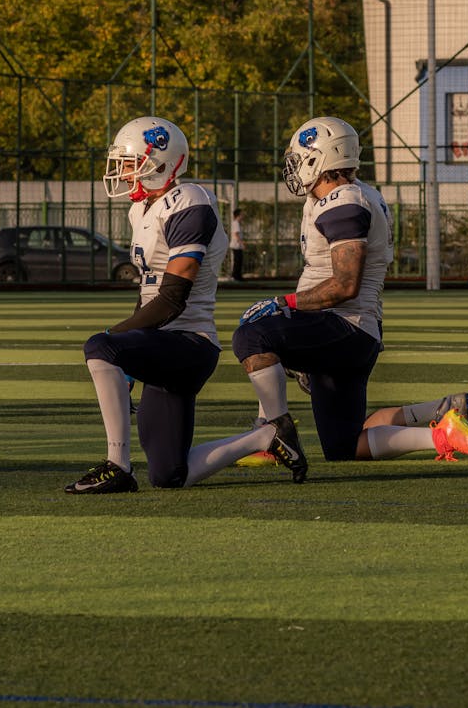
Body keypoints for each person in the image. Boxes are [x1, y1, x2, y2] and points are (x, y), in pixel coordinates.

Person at [232, 116, 468, 478]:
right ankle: (442, 432)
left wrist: (284, 303)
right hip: (356, 333)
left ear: (319, 158)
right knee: (343, 445)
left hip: (343, 326)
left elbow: (344, 286)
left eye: (299, 158)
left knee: (253, 334)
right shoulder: (353, 195)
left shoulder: (343, 201)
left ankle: (272, 436)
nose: (293, 168)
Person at [64, 115, 304, 494]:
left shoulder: (189, 200)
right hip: (165, 344)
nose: (124, 174)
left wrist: (118, 342)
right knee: (168, 474)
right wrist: (128, 349)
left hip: (189, 343)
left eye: (130, 165)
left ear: (159, 161)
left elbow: (173, 297)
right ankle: (267, 437)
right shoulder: (141, 209)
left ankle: (117, 466)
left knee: (100, 346)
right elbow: (148, 290)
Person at [230, 208, 245, 281]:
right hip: (236, 245)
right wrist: (241, 243)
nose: (243, 216)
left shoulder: (238, 223)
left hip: (238, 246)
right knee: (237, 261)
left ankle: (238, 275)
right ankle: (235, 276)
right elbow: (236, 234)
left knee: (239, 261)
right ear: (238, 215)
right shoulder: (236, 223)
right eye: (241, 214)